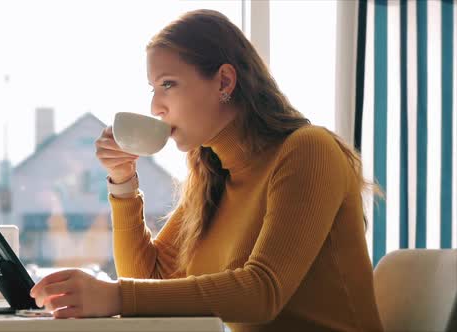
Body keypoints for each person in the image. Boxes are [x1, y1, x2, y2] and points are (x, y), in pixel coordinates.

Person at [30, 9, 383, 332]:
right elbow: (150, 280)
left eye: (168, 84)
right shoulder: (213, 175)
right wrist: (123, 183)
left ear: (224, 82)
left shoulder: (308, 150)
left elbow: (263, 291)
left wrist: (113, 296)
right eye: (153, 89)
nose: (155, 106)